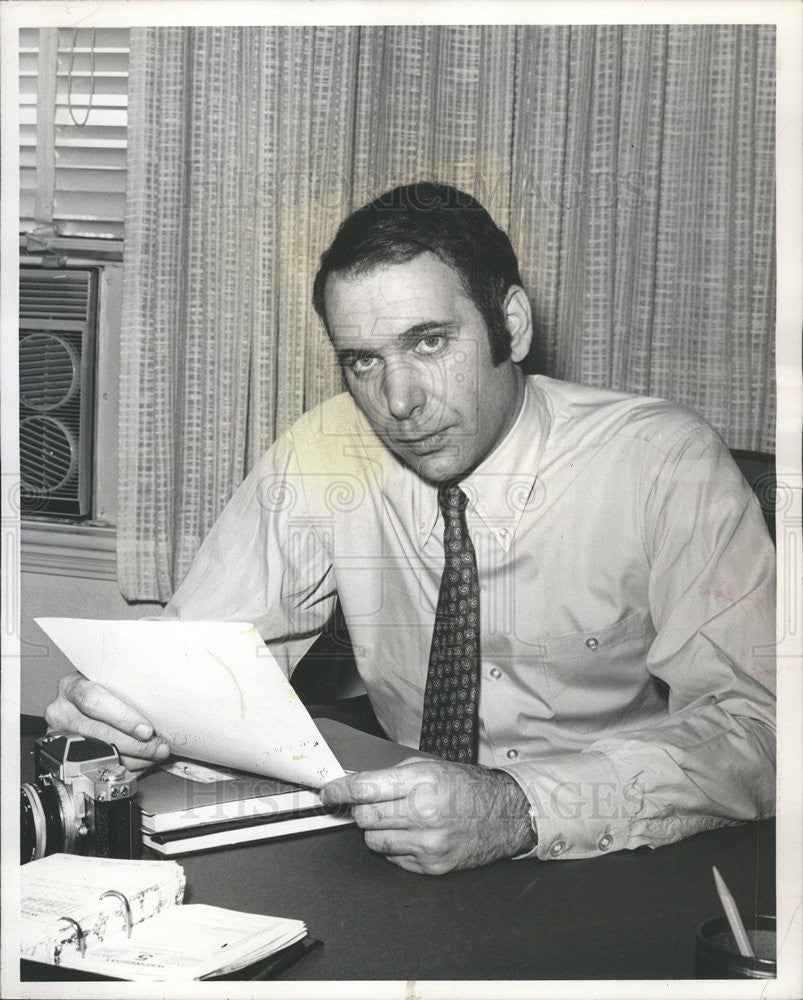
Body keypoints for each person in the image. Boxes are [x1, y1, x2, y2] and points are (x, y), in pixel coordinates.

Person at [45, 182, 776, 875]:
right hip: (395, 846)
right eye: (363, 360)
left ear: (510, 327)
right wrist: (122, 716)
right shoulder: (325, 449)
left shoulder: (659, 460)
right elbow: (190, 666)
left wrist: (520, 808)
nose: (397, 402)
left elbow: (761, 729)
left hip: (617, 856)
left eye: (428, 342)